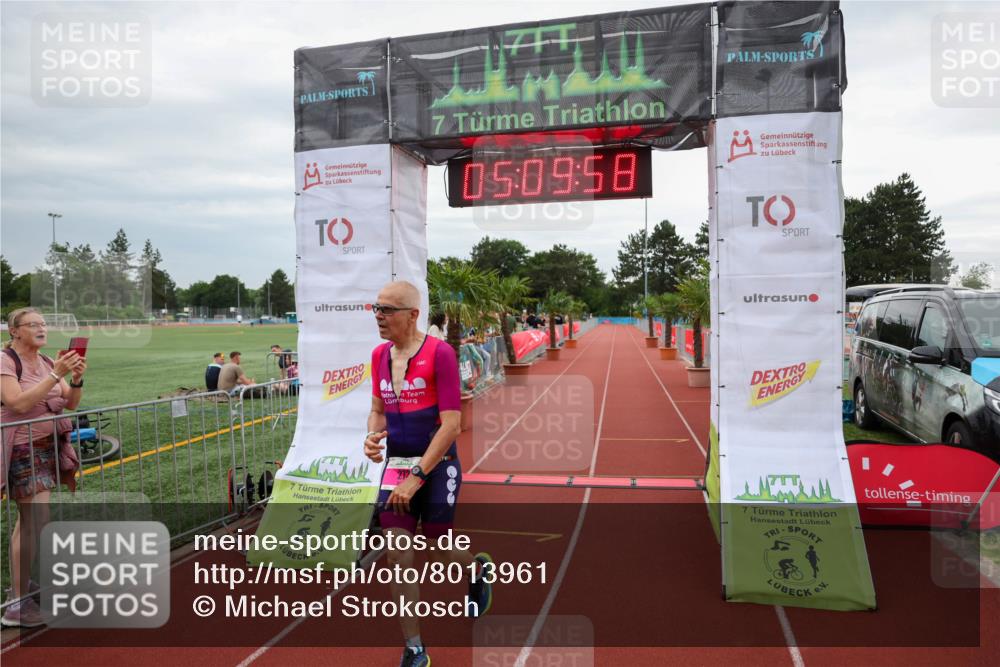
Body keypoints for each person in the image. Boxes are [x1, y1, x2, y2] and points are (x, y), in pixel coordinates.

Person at [363, 281, 493, 667]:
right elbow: (377, 408)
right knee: (398, 556)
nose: (379, 316)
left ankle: (477, 569)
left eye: (387, 310)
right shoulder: (378, 356)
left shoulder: (440, 353)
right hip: (397, 466)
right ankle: (415, 649)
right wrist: (372, 435)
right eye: (376, 308)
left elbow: (452, 424)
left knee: (440, 545)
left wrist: (417, 476)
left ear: (412, 314)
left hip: (437, 465)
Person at [1, 308, 86, 628]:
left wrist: (75, 377)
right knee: (33, 522)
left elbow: (71, 402)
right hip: (20, 448)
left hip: (46, 448)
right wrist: (56, 375)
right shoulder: (6, 361)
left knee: (37, 523)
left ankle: (21, 588)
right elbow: (18, 403)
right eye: (32, 324)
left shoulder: (49, 361)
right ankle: (16, 605)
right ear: (14, 331)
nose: (41, 328)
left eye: (43, 324)